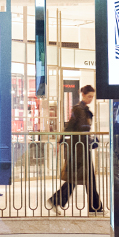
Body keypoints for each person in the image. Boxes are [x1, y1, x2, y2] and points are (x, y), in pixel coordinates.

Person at [46, 85, 103, 215]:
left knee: (82, 179)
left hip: (83, 149)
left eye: (92, 97)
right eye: (89, 96)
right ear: (82, 94)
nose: (91, 99)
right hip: (78, 150)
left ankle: (95, 208)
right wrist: (62, 142)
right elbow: (69, 129)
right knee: (80, 179)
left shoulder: (85, 111)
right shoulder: (78, 110)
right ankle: (95, 208)